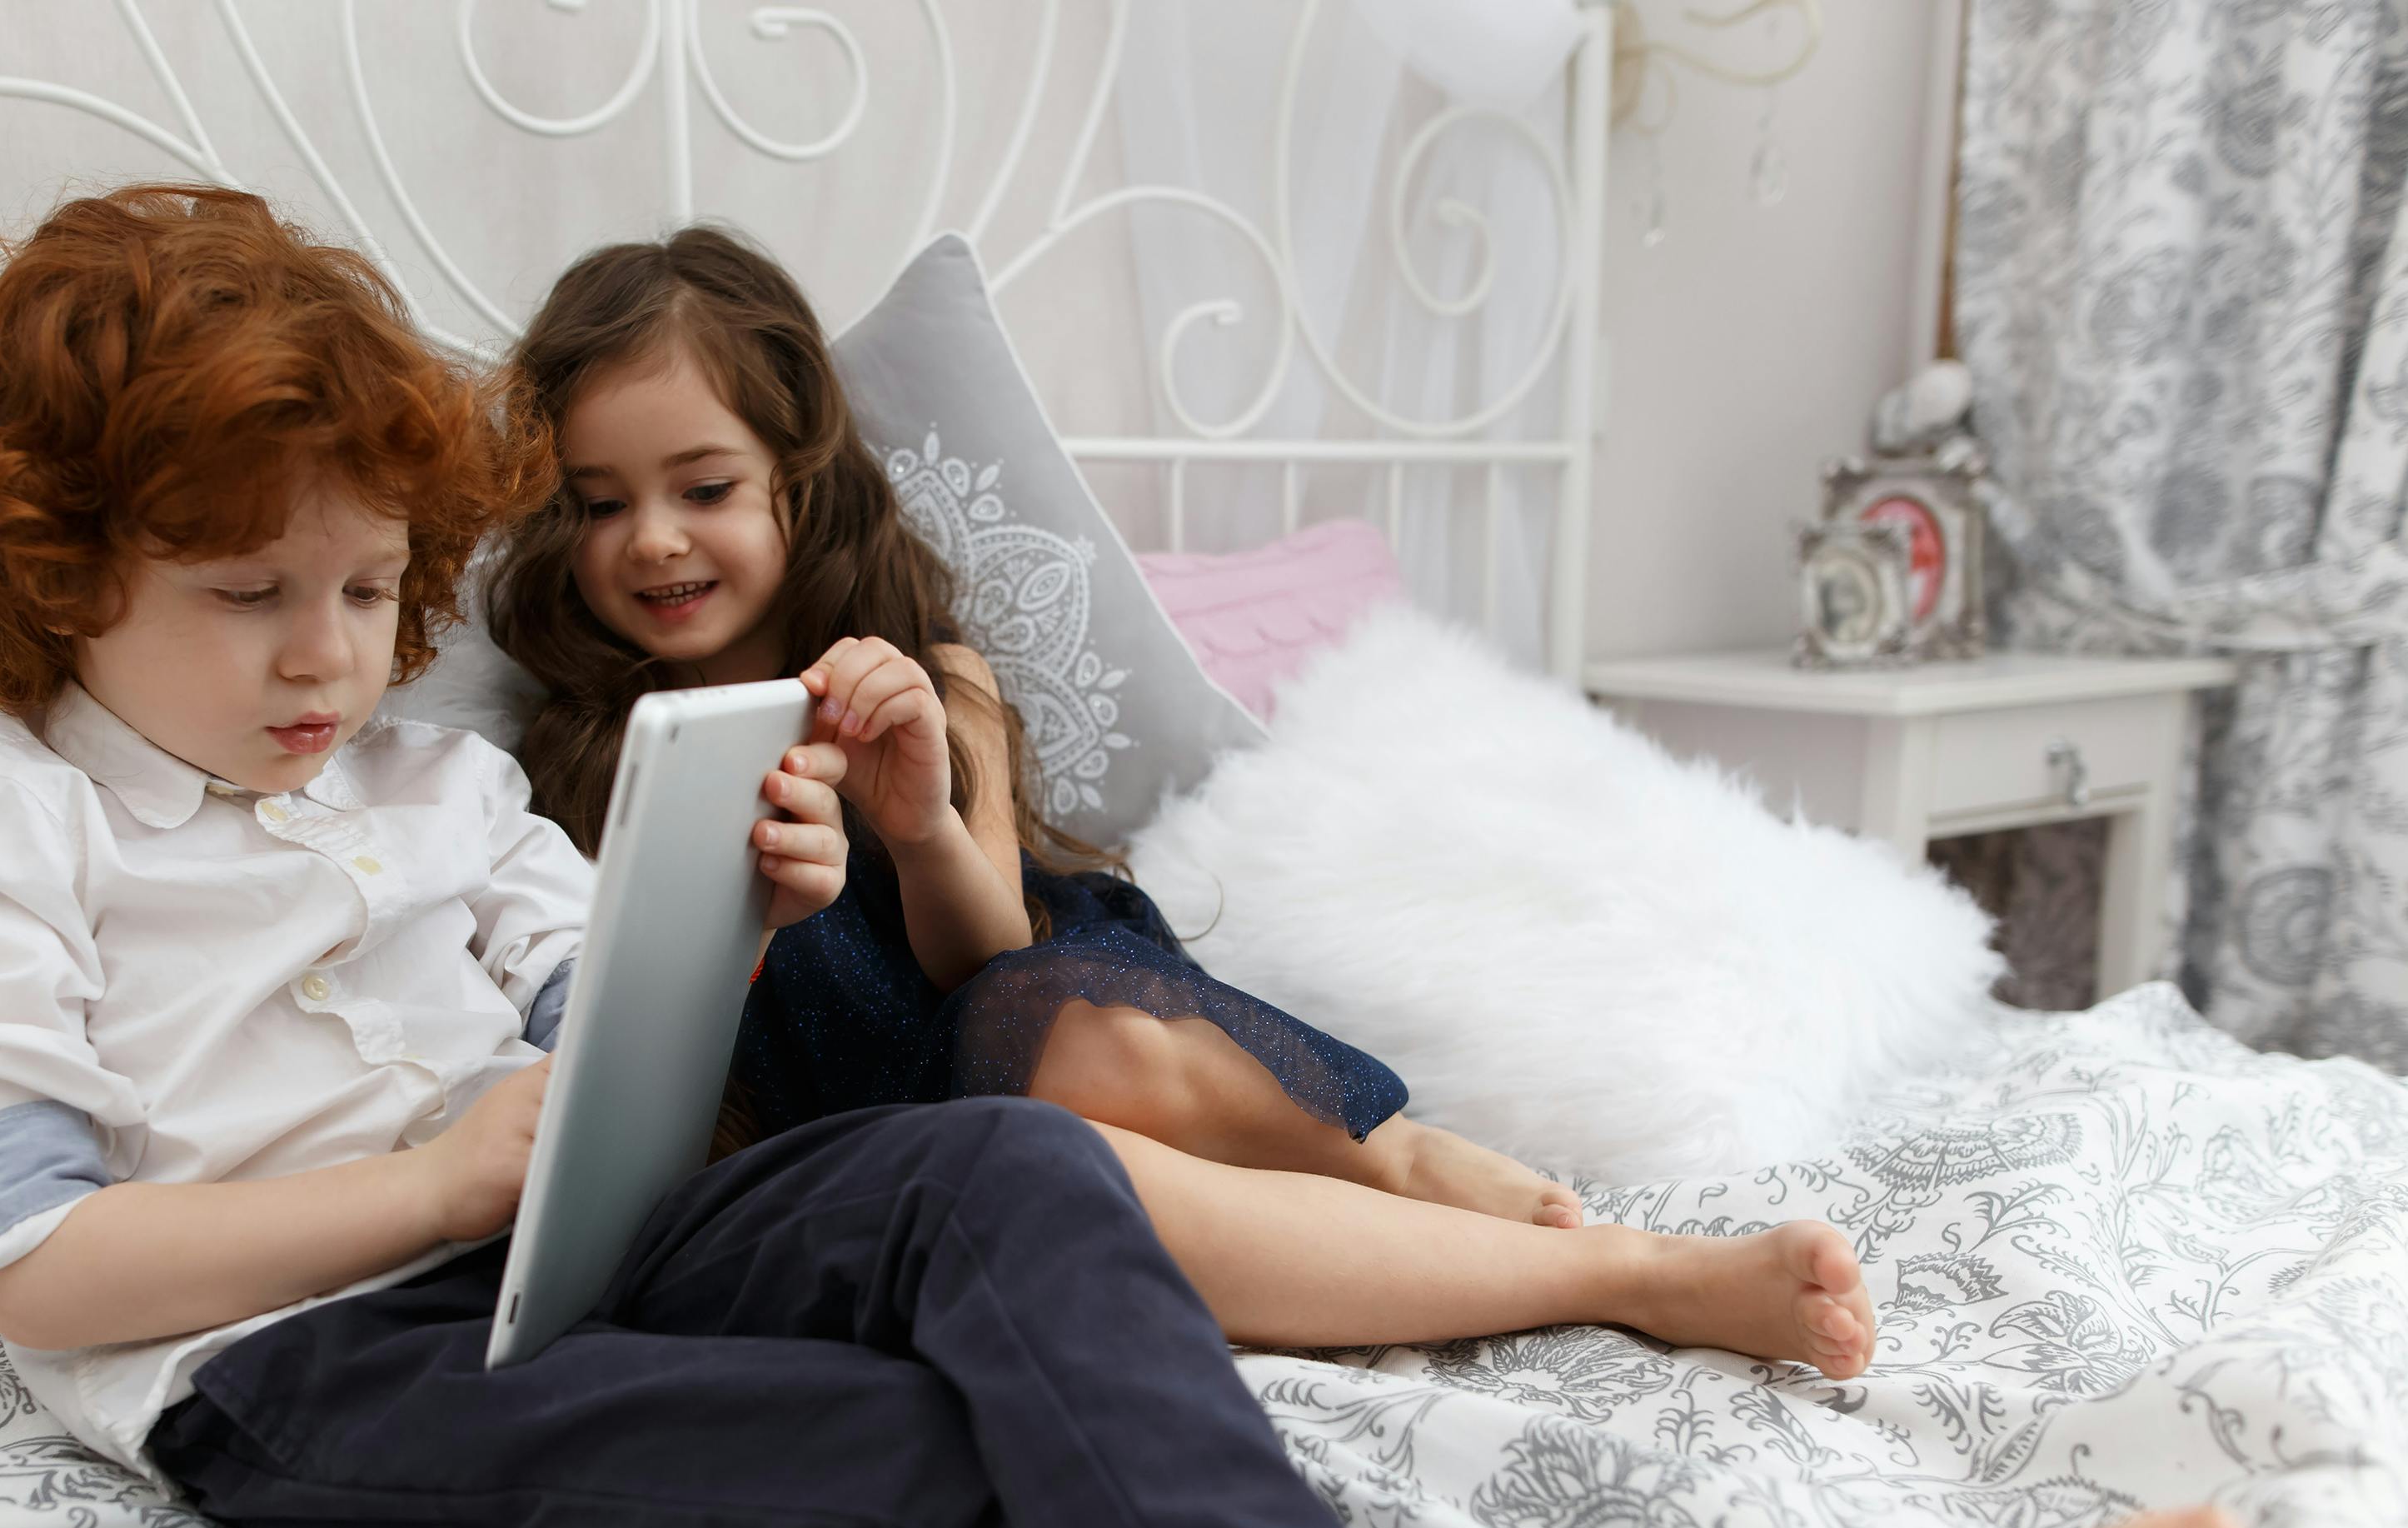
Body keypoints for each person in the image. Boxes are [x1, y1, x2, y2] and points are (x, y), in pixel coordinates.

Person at [0, 185, 2245, 1528]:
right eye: (249, 595)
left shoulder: (440, 788)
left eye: (367, 588)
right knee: (927, 1448)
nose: (327, 654)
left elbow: (619, 1085)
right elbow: (42, 1270)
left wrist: (738, 929)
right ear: (67, 577)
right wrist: (435, 1183)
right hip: (291, 1355)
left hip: (568, 1232)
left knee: (1003, 1160)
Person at [484, 227, 1892, 1381]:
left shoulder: (923, 672)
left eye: (704, 486)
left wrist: (911, 821)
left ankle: (1391, 1154)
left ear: (797, 476)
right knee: (1066, 1173)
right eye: (600, 503)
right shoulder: (581, 756)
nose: (653, 539)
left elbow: (987, 955)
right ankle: (1618, 1279)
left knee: (1075, 1054)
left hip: (1027, 1001)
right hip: (874, 1130)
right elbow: (631, 1052)